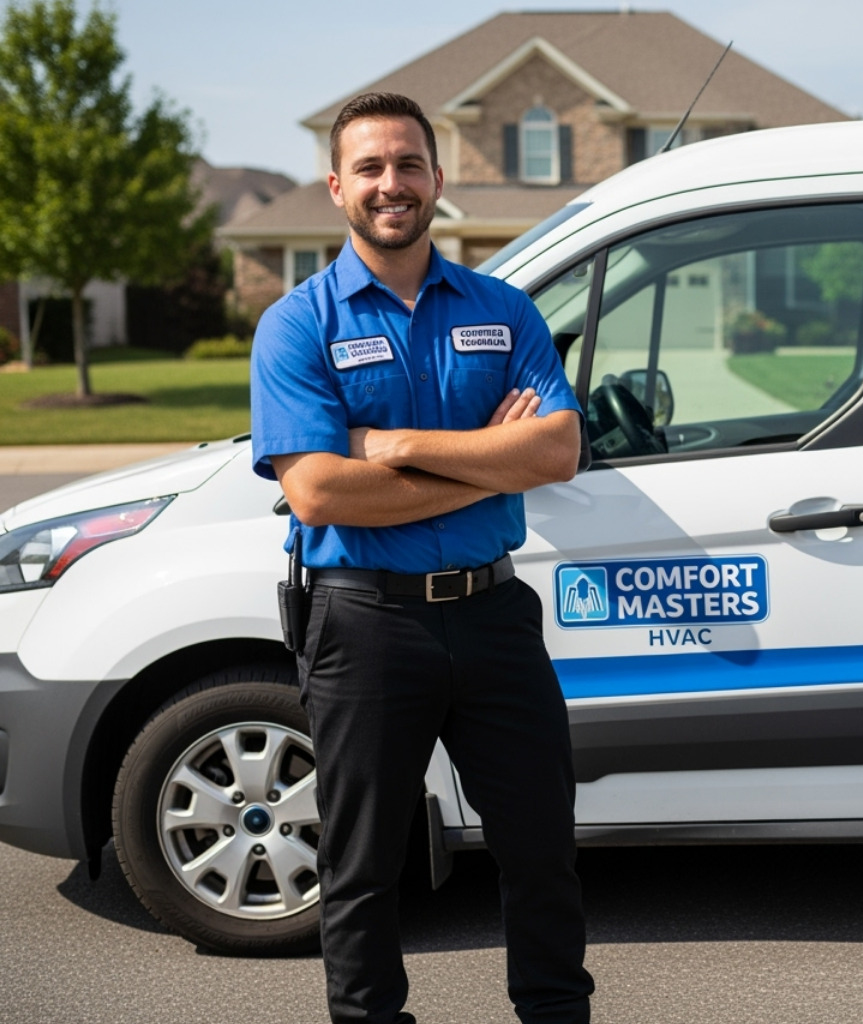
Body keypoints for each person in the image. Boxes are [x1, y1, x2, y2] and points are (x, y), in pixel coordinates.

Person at [249, 91, 594, 1024]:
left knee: (541, 851)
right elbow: (319, 491)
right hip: (364, 620)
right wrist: (489, 462)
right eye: (370, 168)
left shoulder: (503, 309)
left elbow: (557, 450)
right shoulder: (296, 325)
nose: (391, 184)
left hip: (492, 616)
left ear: (438, 179)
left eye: (408, 164)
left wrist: (395, 445)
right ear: (337, 188)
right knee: (362, 866)